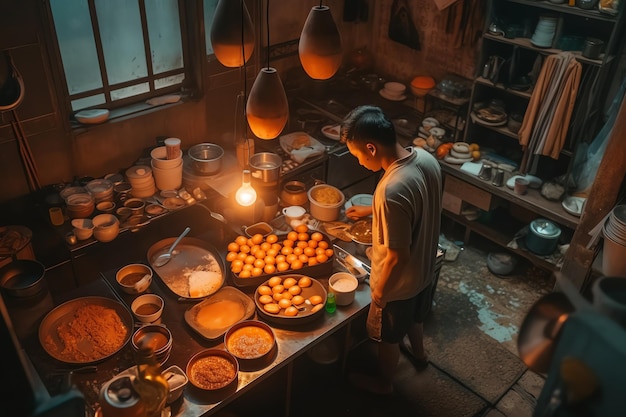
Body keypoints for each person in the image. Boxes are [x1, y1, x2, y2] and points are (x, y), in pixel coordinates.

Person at [341, 105, 442, 395]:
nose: (359, 162)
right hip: (425, 271)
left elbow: (398, 257)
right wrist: (373, 210)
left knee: (389, 338)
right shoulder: (424, 158)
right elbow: (416, 206)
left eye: (358, 155)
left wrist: (380, 294)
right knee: (416, 317)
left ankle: (384, 384)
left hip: (399, 284)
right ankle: (420, 356)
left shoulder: (390, 191)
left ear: (371, 148)